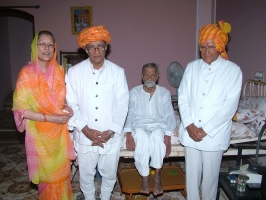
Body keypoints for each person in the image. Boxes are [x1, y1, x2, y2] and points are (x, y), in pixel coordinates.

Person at [178, 20, 243, 200]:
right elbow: (182, 96)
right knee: (191, 176)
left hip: (214, 135)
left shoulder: (233, 70)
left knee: (210, 179)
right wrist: (189, 125)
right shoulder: (191, 67)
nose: (206, 51)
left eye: (211, 46)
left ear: (220, 47)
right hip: (190, 132)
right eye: (202, 47)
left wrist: (205, 130)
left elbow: (229, 107)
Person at [66, 25, 129, 200]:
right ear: (86, 49)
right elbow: (71, 104)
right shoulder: (74, 72)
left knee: (109, 174)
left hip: (110, 135)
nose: (96, 50)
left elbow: (123, 104)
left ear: (106, 48)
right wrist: (86, 130)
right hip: (84, 135)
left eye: (100, 46)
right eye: (92, 47)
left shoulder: (117, 72)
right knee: (85, 175)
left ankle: (106, 196)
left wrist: (110, 131)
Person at [12, 30, 76, 200]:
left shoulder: (59, 71)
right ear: (35, 46)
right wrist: (51, 118)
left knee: (62, 175)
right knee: (48, 177)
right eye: (42, 44)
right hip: (39, 134)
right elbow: (20, 110)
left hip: (59, 133)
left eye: (50, 44)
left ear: (54, 48)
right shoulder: (26, 73)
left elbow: (56, 101)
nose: (46, 48)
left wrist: (66, 107)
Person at [124, 63, 176, 196]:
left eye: (153, 74)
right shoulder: (134, 92)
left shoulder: (164, 92)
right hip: (139, 125)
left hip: (158, 125)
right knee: (140, 136)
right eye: (147, 74)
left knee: (158, 135)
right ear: (142, 76)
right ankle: (145, 177)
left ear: (157, 76)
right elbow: (130, 113)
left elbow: (170, 115)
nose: (149, 77)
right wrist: (128, 133)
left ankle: (157, 175)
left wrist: (168, 136)